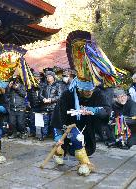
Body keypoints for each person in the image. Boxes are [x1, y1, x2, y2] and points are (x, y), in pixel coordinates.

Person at [51, 30, 119, 176]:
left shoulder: (97, 93)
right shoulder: (68, 94)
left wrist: (93, 110)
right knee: (70, 141)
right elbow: (59, 112)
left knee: (84, 144)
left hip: (87, 124)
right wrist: (59, 132)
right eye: (85, 91)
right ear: (79, 87)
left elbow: (106, 109)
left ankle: (80, 159)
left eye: (91, 90)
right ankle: (81, 162)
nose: (88, 93)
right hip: (69, 124)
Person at [38, 71, 62, 140]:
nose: (48, 78)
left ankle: (56, 136)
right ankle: (43, 135)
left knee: (54, 122)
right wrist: (43, 99)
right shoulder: (43, 85)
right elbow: (40, 95)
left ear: (53, 77)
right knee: (44, 122)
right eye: (47, 77)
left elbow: (59, 96)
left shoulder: (58, 85)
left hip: (54, 107)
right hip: (44, 106)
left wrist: (51, 100)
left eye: (50, 76)